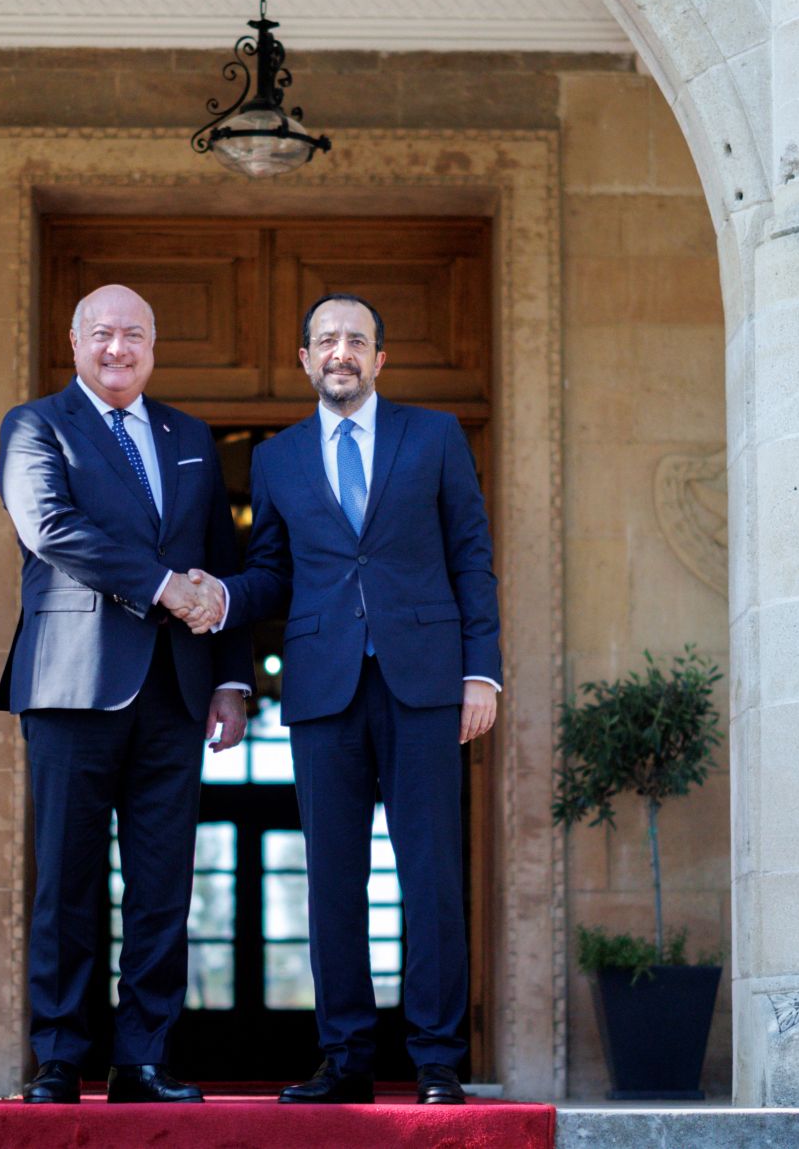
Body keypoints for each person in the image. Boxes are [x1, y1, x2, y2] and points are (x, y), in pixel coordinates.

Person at [186, 292, 500, 1105]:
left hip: (426, 681)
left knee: (430, 871)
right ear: (304, 359)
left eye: (356, 340)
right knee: (331, 877)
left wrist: (482, 671)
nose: (341, 352)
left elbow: (471, 553)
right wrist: (216, 597)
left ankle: (436, 1060)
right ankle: (346, 1057)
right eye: (326, 340)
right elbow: (275, 572)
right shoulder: (279, 458)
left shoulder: (432, 436)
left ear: (380, 358)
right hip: (324, 687)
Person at [0, 283, 251, 1104]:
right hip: (71, 684)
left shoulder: (191, 436)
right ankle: (60, 1057)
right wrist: (165, 586)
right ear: (74, 343)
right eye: (102, 334)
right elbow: (50, 528)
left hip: (177, 691)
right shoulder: (35, 426)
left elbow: (222, 561)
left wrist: (234, 680)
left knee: (161, 884)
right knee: (66, 877)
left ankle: (141, 1058)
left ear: (153, 346)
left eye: (133, 335)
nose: (118, 348)